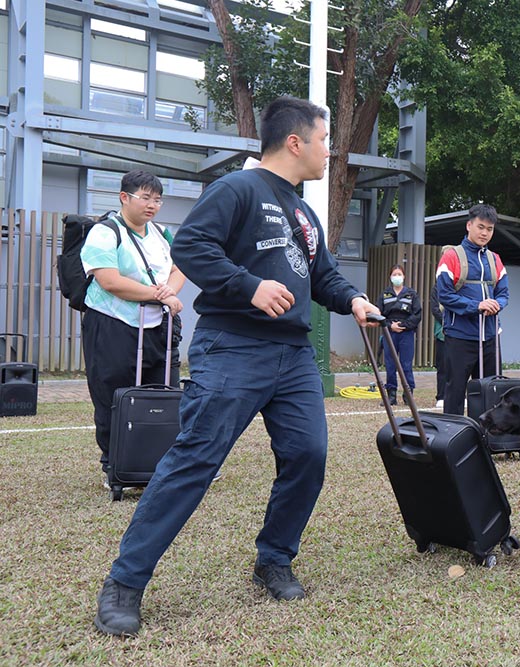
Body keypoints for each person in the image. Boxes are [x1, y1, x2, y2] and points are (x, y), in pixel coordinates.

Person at [93, 96, 381, 637]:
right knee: (195, 459)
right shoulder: (236, 189)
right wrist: (249, 286)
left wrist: (354, 301)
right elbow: (194, 249)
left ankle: (274, 558)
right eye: (325, 141)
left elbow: (321, 276)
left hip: (292, 358)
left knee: (308, 454)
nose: (330, 152)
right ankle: (125, 583)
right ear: (295, 142)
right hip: (233, 347)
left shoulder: (304, 210)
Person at [80, 170, 185, 484]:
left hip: (157, 325)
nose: (152, 205)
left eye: (157, 199)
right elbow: (109, 281)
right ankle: (115, 466)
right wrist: (159, 294)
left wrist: (168, 293)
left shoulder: (162, 233)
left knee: (164, 393)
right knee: (113, 396)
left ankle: (160, 464)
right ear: (124, 197)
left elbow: (180, 267)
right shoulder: (105, 232)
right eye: (145, 197)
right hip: (113, 323)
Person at [435, 204, 509, 416]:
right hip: (460, 337)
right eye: (480, 227)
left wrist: (497, 304)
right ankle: (454, 441)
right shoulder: (451, 257)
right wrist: (476, 306)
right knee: (455, 392)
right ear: (469, 225)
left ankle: (487, 439)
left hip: (490, 337)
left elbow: (504, 294)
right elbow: (445, 296)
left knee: (490, 393)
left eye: (490, 229)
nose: (485, 233)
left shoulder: (495, 259)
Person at [378, 264, 422, 405]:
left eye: (399, 274)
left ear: (404, 276)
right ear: (390, 277)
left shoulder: (411, 294)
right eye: (394, 274)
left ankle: (408, 394)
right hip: (389, 333)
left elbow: (417, 314)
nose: (397, 277)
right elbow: (378, 314)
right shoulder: (385, 295)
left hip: (406, 333)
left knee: (406, 364)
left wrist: (403, 326)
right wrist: (390, 326)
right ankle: (391, 395)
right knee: (390, 364)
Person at [430, 283, 447, 408]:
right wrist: (447, 322)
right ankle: (441, 396)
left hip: (460, 334)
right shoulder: (437, 288)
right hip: (442, 334)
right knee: (442, 367)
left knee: (459, 368)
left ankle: (461, 395)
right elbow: (435, 309)